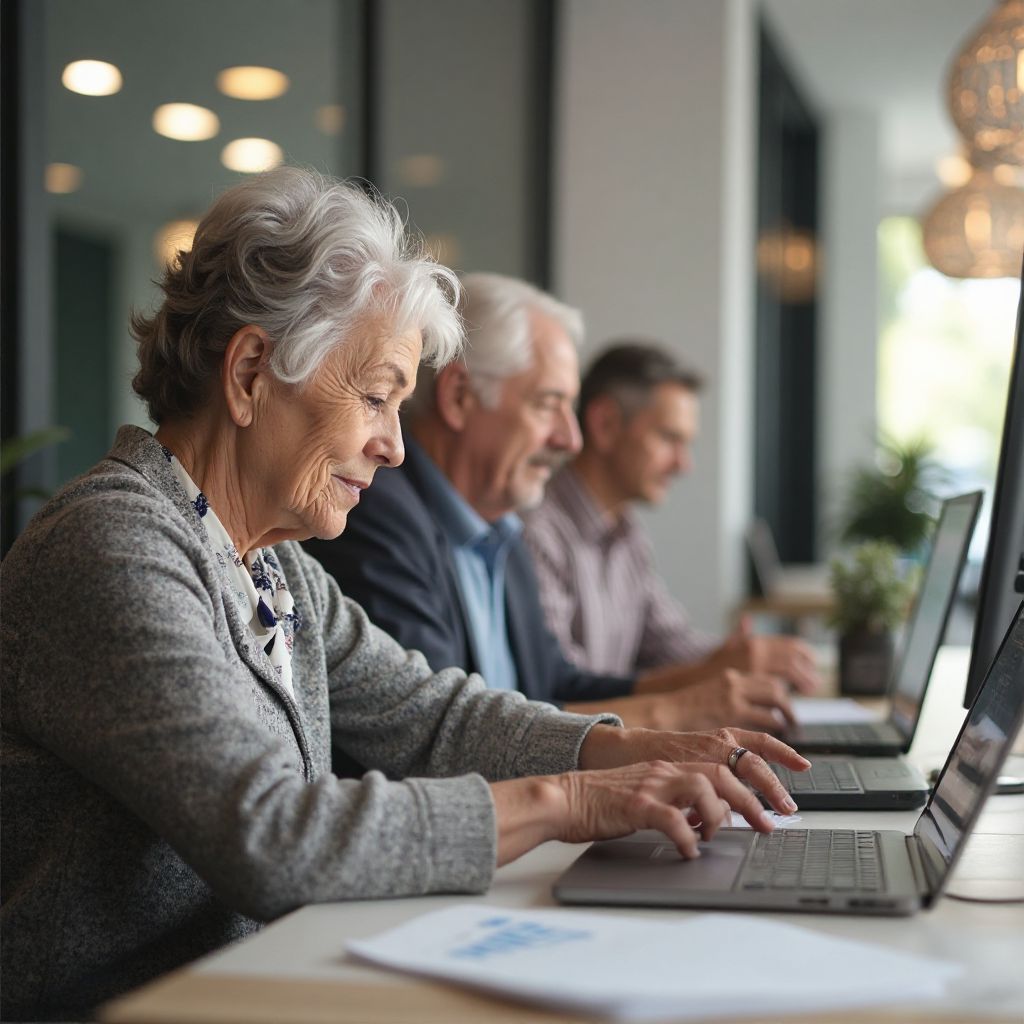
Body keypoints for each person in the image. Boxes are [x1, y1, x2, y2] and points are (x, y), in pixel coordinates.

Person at [0, 170, 808, 1021]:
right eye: (377, 397)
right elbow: (273, 835)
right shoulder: (113, 546)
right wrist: (570, 801)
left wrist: (641, 753)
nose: (394, 447)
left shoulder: (272, 565)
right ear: (248, 373)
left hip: (257, 985)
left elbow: (433, 716)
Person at [307, 273, 800, 731]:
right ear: (459, 397)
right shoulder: (376, 511)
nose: (571, 439)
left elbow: (555, 687)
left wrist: (705, 685)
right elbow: (437, 731)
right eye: (548, 405)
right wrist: (675, 712)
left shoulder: (502, 530)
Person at [522, 341, 821, 700]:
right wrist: (723, 668)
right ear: (605, 424)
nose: (684, 464)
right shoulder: (537, 533)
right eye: (668, 438)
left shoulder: (626, 533)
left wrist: (739, 657)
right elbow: (561, 694)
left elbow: (670, 644)